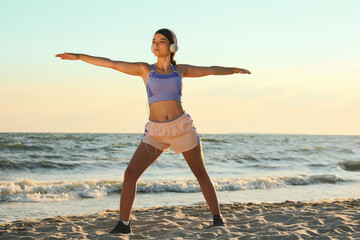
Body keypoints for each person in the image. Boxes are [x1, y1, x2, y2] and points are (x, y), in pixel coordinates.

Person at [55, 28, 251, 234]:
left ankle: (218, 218)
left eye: (162, 41)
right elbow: (110, 63)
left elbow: (212, 69)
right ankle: (123, 224)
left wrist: (235, 70)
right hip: (156, 131)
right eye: (154, 41)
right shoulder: (144, 69)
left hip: (182, 128)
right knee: (130, 174)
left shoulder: (180, 70)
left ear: (172, 47)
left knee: (200, 173)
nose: (156, 44)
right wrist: (78, 57)